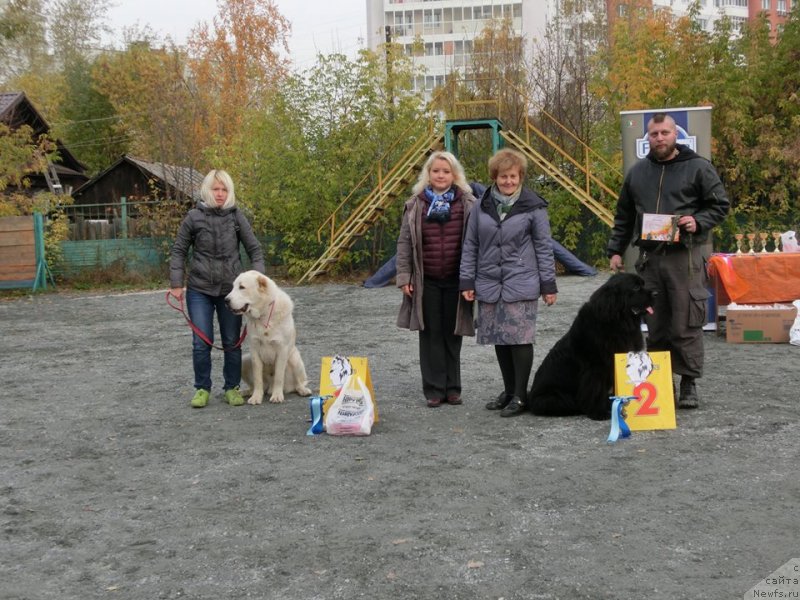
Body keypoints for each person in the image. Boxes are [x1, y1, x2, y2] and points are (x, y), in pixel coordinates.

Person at [607, 113, 730, 409]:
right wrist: (614, 250)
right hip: (650, 259)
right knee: (656, 323)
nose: (659, 138)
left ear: (676, 135)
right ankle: (662, 384)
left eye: (664, 133)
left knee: (685, 322)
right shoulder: (637, 173)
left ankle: (688, 383)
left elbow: (720, 204)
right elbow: (624, 216)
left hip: (685, 256)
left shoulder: (698, 168)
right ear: (647, 138)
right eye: (654, 134)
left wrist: (697, 220)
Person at [460, 148, 558, 417]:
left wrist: (548, 285)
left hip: (522, 281)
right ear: (495, 176)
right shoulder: (480, 206)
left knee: (519, 338)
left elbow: (543, 247)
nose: (508, 182)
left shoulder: (533, 206)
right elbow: (470, 245)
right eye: (503, 176)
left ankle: (521, 395)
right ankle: (508, 391)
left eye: (513, 176)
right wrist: (467, 280)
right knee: (499, 339)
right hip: (490, 282)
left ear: (521, 176)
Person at [169, 169, 265, 408]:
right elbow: (179, 251)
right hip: (199, 289)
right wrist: (176, 283)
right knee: (201, 341)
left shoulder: (236, 217)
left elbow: (255, 249)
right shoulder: (193, 217)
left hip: (231, 291)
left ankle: (231, 387)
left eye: (224, 189)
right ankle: (202, 389)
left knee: (232, 340)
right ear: (207, 190)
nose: (220, 194)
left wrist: (257, 280)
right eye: (216, 189)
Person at [396, 151, 477, 408]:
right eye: (436, 171)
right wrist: (404, 276)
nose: (440, 175)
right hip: (426, 280)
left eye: (446, 171)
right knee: (430, 335)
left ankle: (452, 388)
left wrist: (471, 279)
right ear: (428, 174)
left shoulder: (468, 203)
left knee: (453, 334)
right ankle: (433, 389)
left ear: (455, 175)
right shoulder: (415, 204)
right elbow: (405, 243)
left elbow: (476, 243)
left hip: (458, 281)